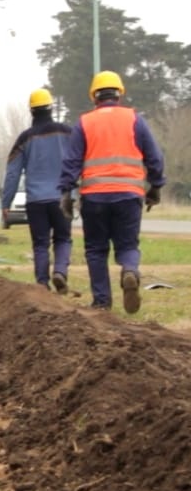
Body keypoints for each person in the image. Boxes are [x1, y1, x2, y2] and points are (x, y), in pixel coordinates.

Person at [58, 70, 165, 314]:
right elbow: (155, 157)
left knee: (96, 249)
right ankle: (129, 270)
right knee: (128, 245)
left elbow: (71, 162)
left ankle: (102, 303)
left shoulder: (85, 122)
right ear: (119, 94)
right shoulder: (135, 119)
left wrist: (66, 193)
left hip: (94, 196)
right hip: (129, 195)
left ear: (94, 96)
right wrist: (156, 186)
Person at [1, 88, 73, 293]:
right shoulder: (67, 133)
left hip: (36, 201)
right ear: (51, 108)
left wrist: (6, 203)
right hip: (62, 197)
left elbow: (13, 173)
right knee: (63, 238)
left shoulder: (25, 139)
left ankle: (42, 285)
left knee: (40, 244)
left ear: (31, 111)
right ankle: (60, 271)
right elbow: (79, 161)